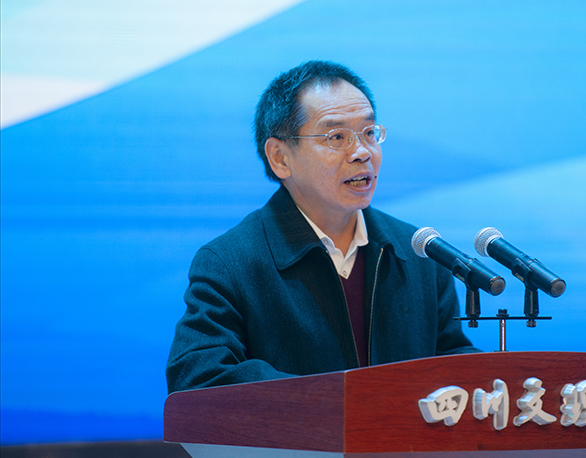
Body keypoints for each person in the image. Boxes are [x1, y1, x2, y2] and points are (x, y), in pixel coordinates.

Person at [166, 60, 478, 393]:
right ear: (280, 158)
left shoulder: (418, 253)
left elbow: (450, 361)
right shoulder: (231, 263)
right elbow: (199, 378)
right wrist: (333, 402)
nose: (362, 152)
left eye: (369, 133)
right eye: (337, 136)